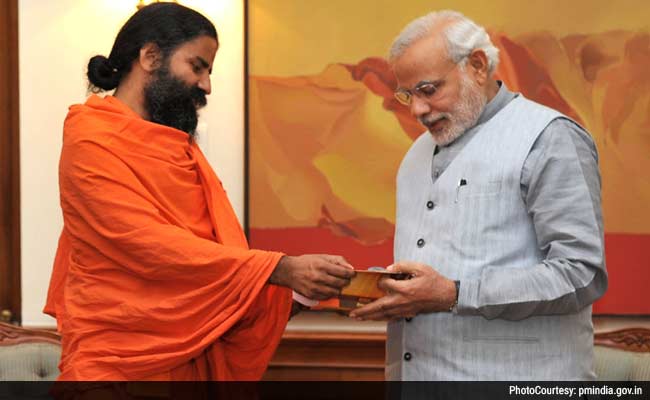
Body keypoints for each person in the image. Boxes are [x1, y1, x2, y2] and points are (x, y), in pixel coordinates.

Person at [44, 3, 354, 381]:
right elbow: (147, 244)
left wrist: (302, 288)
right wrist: (279, 269)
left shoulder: (181, 149)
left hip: (195, 356)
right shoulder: (91, 140)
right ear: (150, 56)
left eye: (208, 71)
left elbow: (214, 260)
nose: (207, 85)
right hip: (116, 365)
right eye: (197, 66)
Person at [350, 10, 607, 380]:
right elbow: (438, 263)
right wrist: (375, 287)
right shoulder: (415, 155)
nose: (418, 110)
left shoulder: (551, 138)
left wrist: (455, 293)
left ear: (477, 65)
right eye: (409, 95)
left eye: (429, 90)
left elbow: (580, 275)